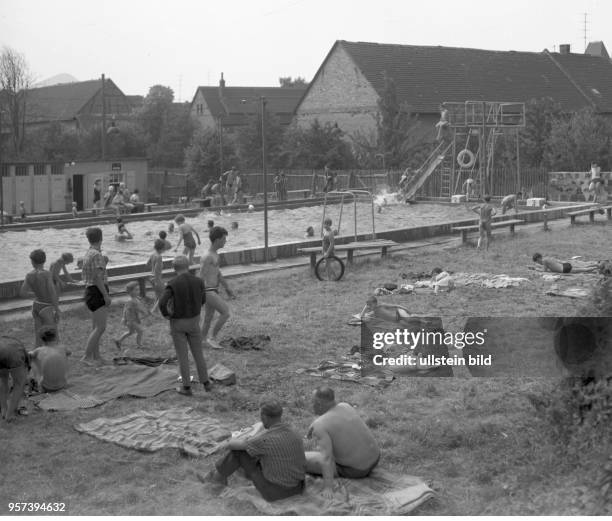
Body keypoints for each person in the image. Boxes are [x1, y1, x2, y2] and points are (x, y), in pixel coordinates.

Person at [203, 398, 306, 502]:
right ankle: (217, 476)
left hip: (276, 493)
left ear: (264, 417)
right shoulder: (294, 432)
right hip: (297, 489)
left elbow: (232, 444)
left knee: (238, 453)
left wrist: (228, 442)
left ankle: (216, 481)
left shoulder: (265, 439)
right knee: (253, 453)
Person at [305, 387, 380, 498]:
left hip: (357, 470)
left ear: (319, 403)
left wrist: (328, 487)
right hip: (375, 459)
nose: (311, 405)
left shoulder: (320, 424)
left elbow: (327, 459)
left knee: (300, 458)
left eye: (312, 402)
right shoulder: (345, 406)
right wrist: (316, 425)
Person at [159, 255, 212, 395]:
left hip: (178, 322)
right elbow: (203, 300)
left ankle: (187, 387)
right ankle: (206, 383)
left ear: (174, 268)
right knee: (198, 353)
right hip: (194, 321)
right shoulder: (199, 281)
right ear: (188, 266)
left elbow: (162, 302)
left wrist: (166, 314)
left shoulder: (172, 283)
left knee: (182, 356)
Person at [200, 226, 235, 350]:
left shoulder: (215, 255)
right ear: (217, 240)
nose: (226, 241)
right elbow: (201, 276)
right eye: (224, 238)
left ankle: (202, 340)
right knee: (225, 313)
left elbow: (218, 274)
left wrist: (227, 288)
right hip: (207, 290)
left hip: (212, 289)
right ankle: (212, 338)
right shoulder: (207, 256)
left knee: (208, 318)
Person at [81, 227, 111, 364]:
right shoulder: (97, 255)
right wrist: (106, 295)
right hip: (97, 291)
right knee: (101, 327)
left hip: (90, 291)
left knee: (96, 327)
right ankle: (86, 357)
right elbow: (97, 278)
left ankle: (96, 356)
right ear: (101, 238)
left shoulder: (88, 253)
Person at [19, 249, 60, 345]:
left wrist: (35, 294)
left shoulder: (29, 275)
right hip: (46, 307)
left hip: (36, 306)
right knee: (53, 337)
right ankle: (55, 358)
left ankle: (36, 357)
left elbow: (22, 293)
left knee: (38, 338)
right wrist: (57, 309)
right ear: (44, 260)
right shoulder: (46, 274)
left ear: (32, 262)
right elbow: (52, 292)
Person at [28, 327, 67, 393]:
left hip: (46, 387)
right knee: (63, 356)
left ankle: (36, 380)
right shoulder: (62, 348)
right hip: (63, 385)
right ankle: (59, 377)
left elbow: (30, 354)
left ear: (42, 340)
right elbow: (69, 353)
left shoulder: (39, 350)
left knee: (32, 358)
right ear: (56, 337)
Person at [114, 281, 151, 351]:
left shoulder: (136, 299)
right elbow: (130, 310)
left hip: (134, 320)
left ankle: (119, 341)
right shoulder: (131, 301)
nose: (138, 291)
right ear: (130, 292)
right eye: (136, 290)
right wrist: (144, 312)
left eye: (138, 289)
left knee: (131, 332)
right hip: (131, 321)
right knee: (140, 331)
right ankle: (139, 345)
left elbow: (140, 307)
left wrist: (146, 311)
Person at [0, 336, 29, 422]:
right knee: (19, 384)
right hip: (12, 352)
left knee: (3, 380)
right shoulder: (23, 356)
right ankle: (10, 415)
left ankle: (4, 411)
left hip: (2, 348)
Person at [532, 253, 600, 274]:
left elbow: (545, 271)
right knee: (583, 267)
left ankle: (597, 267)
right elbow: (551, 268)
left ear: (538, 259)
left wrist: (536, 269)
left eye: (537, 261)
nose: (538, 263)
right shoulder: (546, 259)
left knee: (583, 270)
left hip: (565, 269)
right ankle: (595, 265)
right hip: (565, 265)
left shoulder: (544, 261)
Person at [147, 238, 166, 312]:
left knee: (157, 295)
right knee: (163, 295)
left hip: (151, 277)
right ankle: (153, 311)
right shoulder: (159, 257)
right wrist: (157, 280)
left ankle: (156, 311)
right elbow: (156, 270)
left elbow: (147, 264)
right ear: (161, 248)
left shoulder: (152, 254)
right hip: (156, 278)